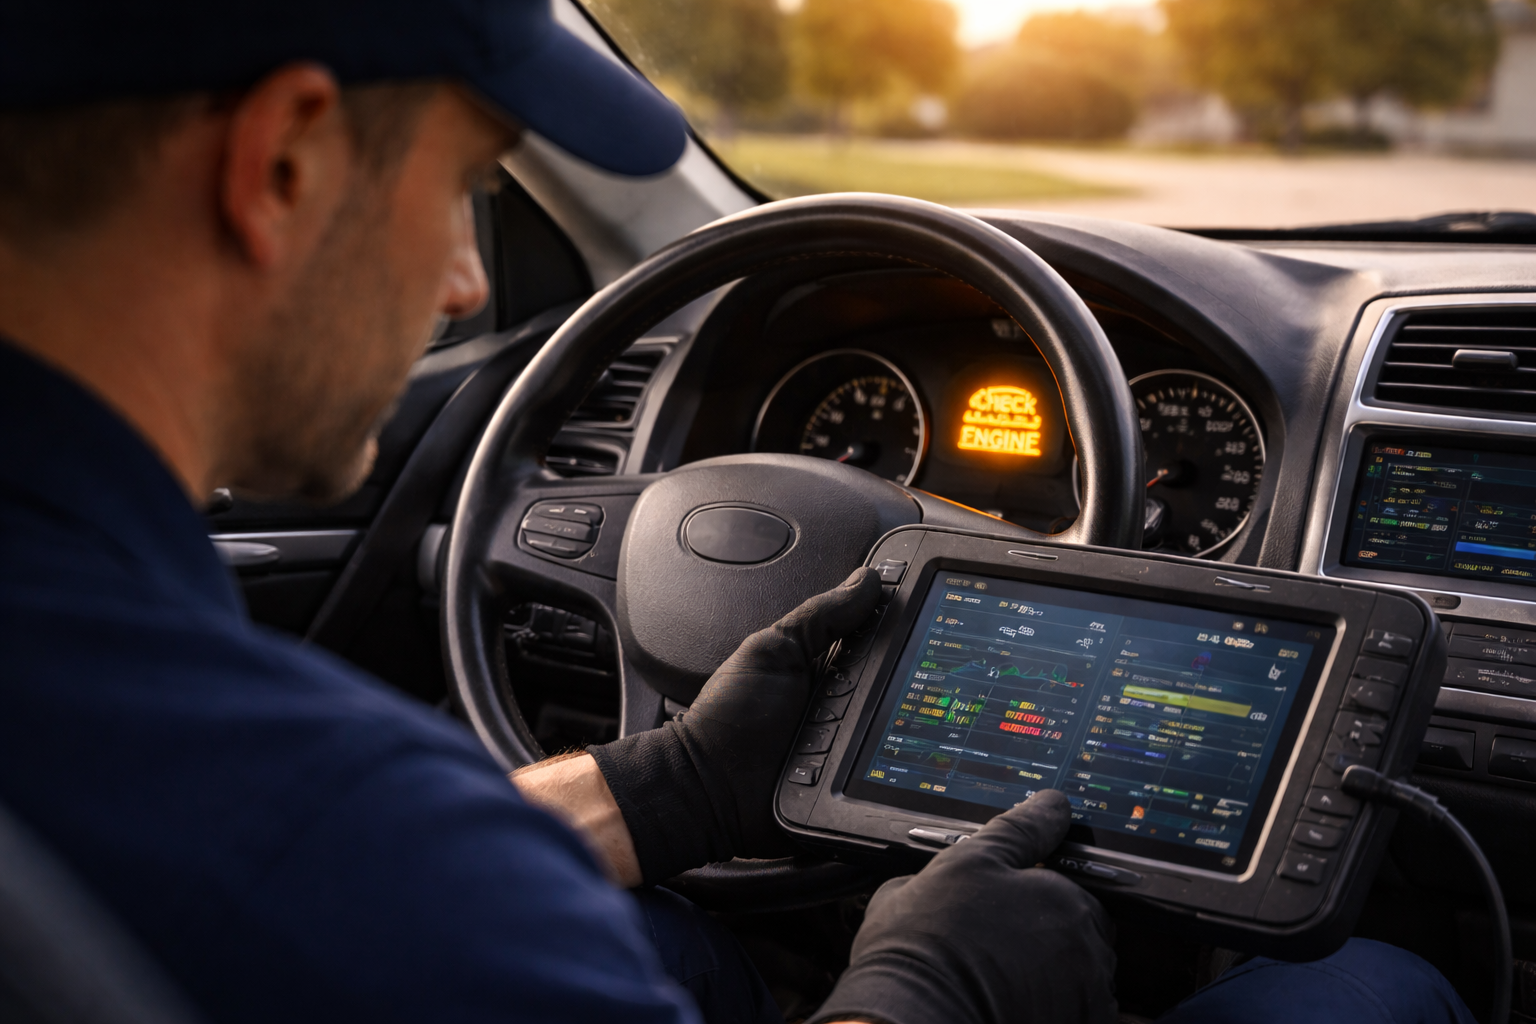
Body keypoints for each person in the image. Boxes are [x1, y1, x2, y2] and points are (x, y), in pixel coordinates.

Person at [0, 3, 1479, 1024]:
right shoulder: (347, 846)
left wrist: (666, 788)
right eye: (465, 186)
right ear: (282, 166)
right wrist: (918, 999)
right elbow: (367, 879)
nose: (465, 282)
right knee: (1359, 987)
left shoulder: (143, 726)